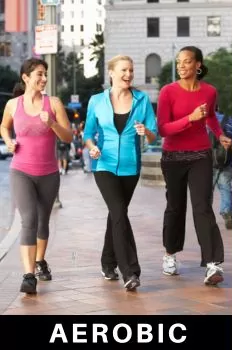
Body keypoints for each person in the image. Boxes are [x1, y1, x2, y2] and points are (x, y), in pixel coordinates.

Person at [157, 46, 232, 285]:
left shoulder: (209, 91)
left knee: (203, 207)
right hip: (173, 157)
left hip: (201, 154)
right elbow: (163, 128)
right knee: (175, 208)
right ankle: (170, 254)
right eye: (179, 62)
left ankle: (212, 264)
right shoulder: (167, 92)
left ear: (198, 65)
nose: (181, 66)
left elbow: (210, 116)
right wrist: (189, 119)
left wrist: (219, 134)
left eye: (187, 62)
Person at [83, 55, 158, 291]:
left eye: (131, 70)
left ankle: (107, 263)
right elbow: (87, 135)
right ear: (112, 73)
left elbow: (154, 134)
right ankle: (130, 272)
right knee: (118, 211)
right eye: (124, 70)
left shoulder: (141, 99)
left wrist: (145, 130)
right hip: (103, 165)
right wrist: (92, 147)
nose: (129, 74)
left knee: (117, 214)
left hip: (130, 167)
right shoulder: (96, 101)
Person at [0, 58, 73, 294]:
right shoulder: (13, 104)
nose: (43, 79)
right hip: (20, 170)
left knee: (43, 221)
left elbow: (68, 138)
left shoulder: (54, 103)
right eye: (39, 74)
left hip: (49, 173)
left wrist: (51, 122)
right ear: (26, 77)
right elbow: (3, 126)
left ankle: (40, 261)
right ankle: (29, 275)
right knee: (28, 220)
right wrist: (9, 141)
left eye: (45, 74)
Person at [210, 107, 232, 229]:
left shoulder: (202, 120)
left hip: (207, 161)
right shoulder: (227, 119)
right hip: (225, 160)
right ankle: (227, 212)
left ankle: (205, 215)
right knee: (225, 187)